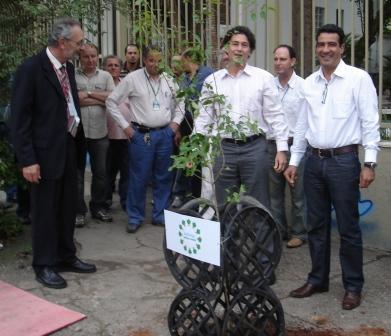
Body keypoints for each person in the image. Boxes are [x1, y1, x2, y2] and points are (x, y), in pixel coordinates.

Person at [284, 24, 380, 310]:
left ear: (342, 48)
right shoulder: (309, 83)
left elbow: (370, 122)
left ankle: (352, 285)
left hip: (344, 162)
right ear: (316, 48)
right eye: (321, 44)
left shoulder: (357, 79)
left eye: (332, 44)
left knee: (349, 228)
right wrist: (294, 161)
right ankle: (318, 279)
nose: (326, 49)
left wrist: (370, 163)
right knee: (316, 226)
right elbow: (302, 126)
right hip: (313, 162)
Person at [10, 17, 96, 289]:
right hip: (42, 154)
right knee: (45, 211)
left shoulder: (67, 68)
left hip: (68, 147)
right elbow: (19, 119)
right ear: (62, 42)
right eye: (79, 43)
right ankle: (44, 264)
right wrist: (28, 160)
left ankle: (65, 255)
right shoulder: (31, 69)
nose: (82, 48)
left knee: (67, 207)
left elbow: (68, 105)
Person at [194, 26, 288, 209]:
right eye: (234, 44)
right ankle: (229, 238)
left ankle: (260, 238)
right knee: (224, 202)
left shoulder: (263, 78)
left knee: (257, 202)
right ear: (226, 48)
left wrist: (282, 149)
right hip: (222, 149)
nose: (239, 48)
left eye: (244, 45)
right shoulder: (212, 81)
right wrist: (195, 148)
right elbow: (203, 119)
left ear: (250, 51)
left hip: (255, 148)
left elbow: (275, 116)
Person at [106, 45, 184, 233]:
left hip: (165, 134)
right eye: (151, 60)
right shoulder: (132, 79)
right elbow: (111, 101)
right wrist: (125, 127)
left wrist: (176, 122)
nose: (155, 64)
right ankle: (135, 216)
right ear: (144, 60)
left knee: (164, 177)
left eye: (159, 60)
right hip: (142, 135)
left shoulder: (169, 78)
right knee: (138, 178)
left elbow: (181, 100)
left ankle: (160, 215)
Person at [268, 44, 306, 248]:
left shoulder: (303, 87)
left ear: (293, 61)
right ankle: (278, 230)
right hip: (272, 146)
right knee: (274, 194)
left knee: (298, 193)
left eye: (282, 59)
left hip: (295, 146)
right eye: (275, 59)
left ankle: (299, 232)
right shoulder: (268, 85)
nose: (278, 63)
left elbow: (305, 120)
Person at [75, 43, 115, 227]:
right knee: (77, 174)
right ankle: (78, 212)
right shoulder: (72, 75)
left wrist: (88, 93)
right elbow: (72, 101)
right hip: (77, 133)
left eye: (93, 56)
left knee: (100, 173)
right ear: (79, 58)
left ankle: (98, 207)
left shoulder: (106, 76)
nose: (90, 60)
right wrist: (99, 98)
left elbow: (112, 99)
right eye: (86, 57)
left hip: (100, 132)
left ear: (98, 57)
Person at [171, 47, 213, 208]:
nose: (180, 65)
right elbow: (181, 105)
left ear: (190, 59)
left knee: (202, 162)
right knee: (185, 159)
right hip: (187, 123)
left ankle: (198, 195)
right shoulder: (184, 78)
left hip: (203, 124)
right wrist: (180, 130)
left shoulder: (208, 75)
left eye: (182, 61)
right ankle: (179, 194)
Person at [102, 55, 131, 211]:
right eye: (109, 65)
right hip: (106, 137)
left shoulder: (126, 86)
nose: (113, 68)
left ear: (121, 68)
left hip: (125, 137)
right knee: (108, 173)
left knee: (126, 172)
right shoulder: (101, 85)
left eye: (116, 65)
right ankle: (105, 201)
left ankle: (125, 201)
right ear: (104, 68)